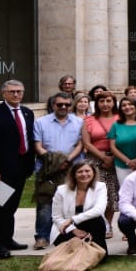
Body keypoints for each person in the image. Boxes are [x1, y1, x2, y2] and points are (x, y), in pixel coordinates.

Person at [0, 79, 37, 259]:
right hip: (1, 169)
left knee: (13, 205)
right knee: (1, 205)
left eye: (19, 91)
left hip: (22, 166)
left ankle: (8, 238)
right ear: (4, 94)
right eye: (12, 92)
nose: (16, 94)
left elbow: (29, 138)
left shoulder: (27, 113)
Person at [32, 92, 83, 249]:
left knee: (71, 203)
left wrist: (67, 161)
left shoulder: (79, 122)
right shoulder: (41, 122)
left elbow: (81, 144)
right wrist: (53, 161)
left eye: (67, 105)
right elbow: (37, 145)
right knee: (45, 203)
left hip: (71, 167)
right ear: (53, 105)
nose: (63, 107)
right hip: (47, 169)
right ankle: (42, 237)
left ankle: (69, 234)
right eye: (59, 104)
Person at [80, 90, 122, 225]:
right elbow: (86, 142)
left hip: (117, 158)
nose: (105, 104)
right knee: (96, 193)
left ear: (114, 103)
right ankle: (98, 223)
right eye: (101, 101)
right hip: (95, 159)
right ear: (96, 103)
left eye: (108, 101)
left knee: (112, 193)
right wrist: (103, 158)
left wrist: (112, 158)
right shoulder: (89, 120)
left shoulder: (120, 118)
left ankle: (108, 224)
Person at [50, 159, 108, 255]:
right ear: (74, 175)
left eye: (87, 171)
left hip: (90, 225)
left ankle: (98, 252)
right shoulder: (61, 190)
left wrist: (72, 219)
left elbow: (99, 210)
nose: (84, 174)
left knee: (97, 220)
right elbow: (56, 217)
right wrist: (73, 230)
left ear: (93, 173)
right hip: (66, 228)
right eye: (80, 171)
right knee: (73, 252)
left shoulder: (100, 187)